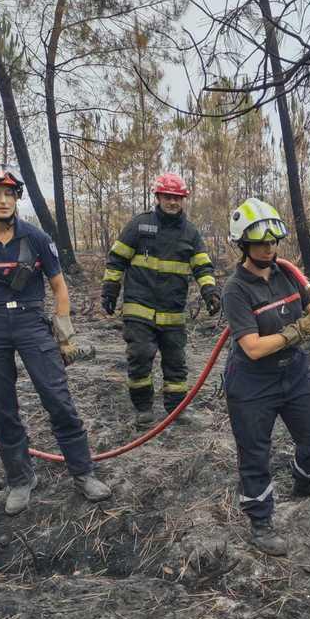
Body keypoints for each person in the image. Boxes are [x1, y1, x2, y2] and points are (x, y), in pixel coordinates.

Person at [0, 162, 111, 516]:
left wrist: (65, 335)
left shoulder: (37, 238)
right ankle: (20, 480)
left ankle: (83, 473)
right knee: (2, 408)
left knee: (58, 399)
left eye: (9, 194)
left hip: (30, 322)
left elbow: (59, 287)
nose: (3, 200)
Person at [221, 198, 310, 556]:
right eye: (261, 242)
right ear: (243, 244)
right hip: (252, 383)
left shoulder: (287, 273)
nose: (269, 248)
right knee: (255, 454)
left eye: (273, 241)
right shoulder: (235, 290)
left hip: (295, 373)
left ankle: (306, 481)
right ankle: (260, 522)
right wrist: (299, 332)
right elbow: (253, 348)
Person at [101, 173, 220, 428]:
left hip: (172, 311)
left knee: (176, 363)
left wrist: (209, 292)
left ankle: (176, 411)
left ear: (183, 200)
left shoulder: (190, 233)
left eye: (177, 198)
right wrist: (110, 289)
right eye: (168, 196)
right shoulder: (140, 225)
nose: (172, 202)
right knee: (141, 354)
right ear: (158, 197)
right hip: (139, 307)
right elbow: (117, 259)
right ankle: (143, 410)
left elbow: (203, 266)